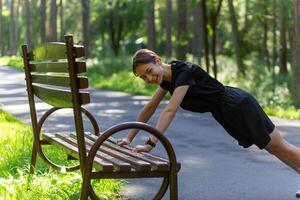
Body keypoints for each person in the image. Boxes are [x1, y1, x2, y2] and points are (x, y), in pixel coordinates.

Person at [117, 49, 300, 179]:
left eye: (148, 71)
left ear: (157, 60)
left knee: (279, 146)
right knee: (273, 148)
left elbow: (170, 110)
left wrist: (150, 143)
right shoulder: (167, 79)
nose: (149, 78)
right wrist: (129, 138)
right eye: (143, 77)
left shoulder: (183, 72)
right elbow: (150, 108)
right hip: (226, 111)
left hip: (237, 105)